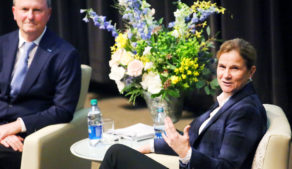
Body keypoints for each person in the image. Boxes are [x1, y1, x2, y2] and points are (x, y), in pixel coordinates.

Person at [99, 38, 267, 169]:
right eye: (222, 67)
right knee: (123, 154)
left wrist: (186, 153)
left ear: (251, 71)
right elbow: (195, 136)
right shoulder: (230, 98)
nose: (226, 75)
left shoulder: (245, 110)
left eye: (235, 68)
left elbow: (226, 167)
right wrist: (150, 146)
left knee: (116, 154)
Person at [0, 0, 81, 168]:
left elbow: (63, 110)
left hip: (29, 137)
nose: (30, 16)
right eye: (24, 9)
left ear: (48, 13)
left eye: (37, 10)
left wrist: (16, 126)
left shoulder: (66, 55)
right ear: (14, 12)